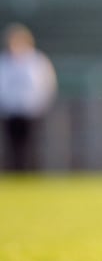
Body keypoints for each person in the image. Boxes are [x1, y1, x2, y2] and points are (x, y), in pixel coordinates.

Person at [0, 23, 57, 172]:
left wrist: (40, 104)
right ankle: (13, 172)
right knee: (12, 145)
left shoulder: (36, 61)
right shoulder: (4, 62)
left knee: (31, 144)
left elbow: (46, 84)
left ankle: (30, 172)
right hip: (10, 111)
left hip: (31, 111)